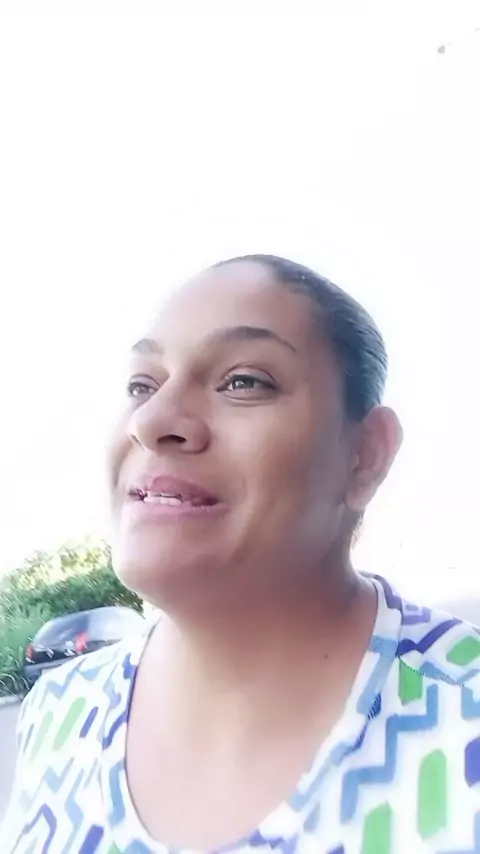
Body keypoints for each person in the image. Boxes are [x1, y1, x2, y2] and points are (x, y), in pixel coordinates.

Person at [2, 254, 479, 854]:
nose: (151, 420)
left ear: (366, 456)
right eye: (142, 385)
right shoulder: (57, 714)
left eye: (244, 381)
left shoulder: (462, 714)